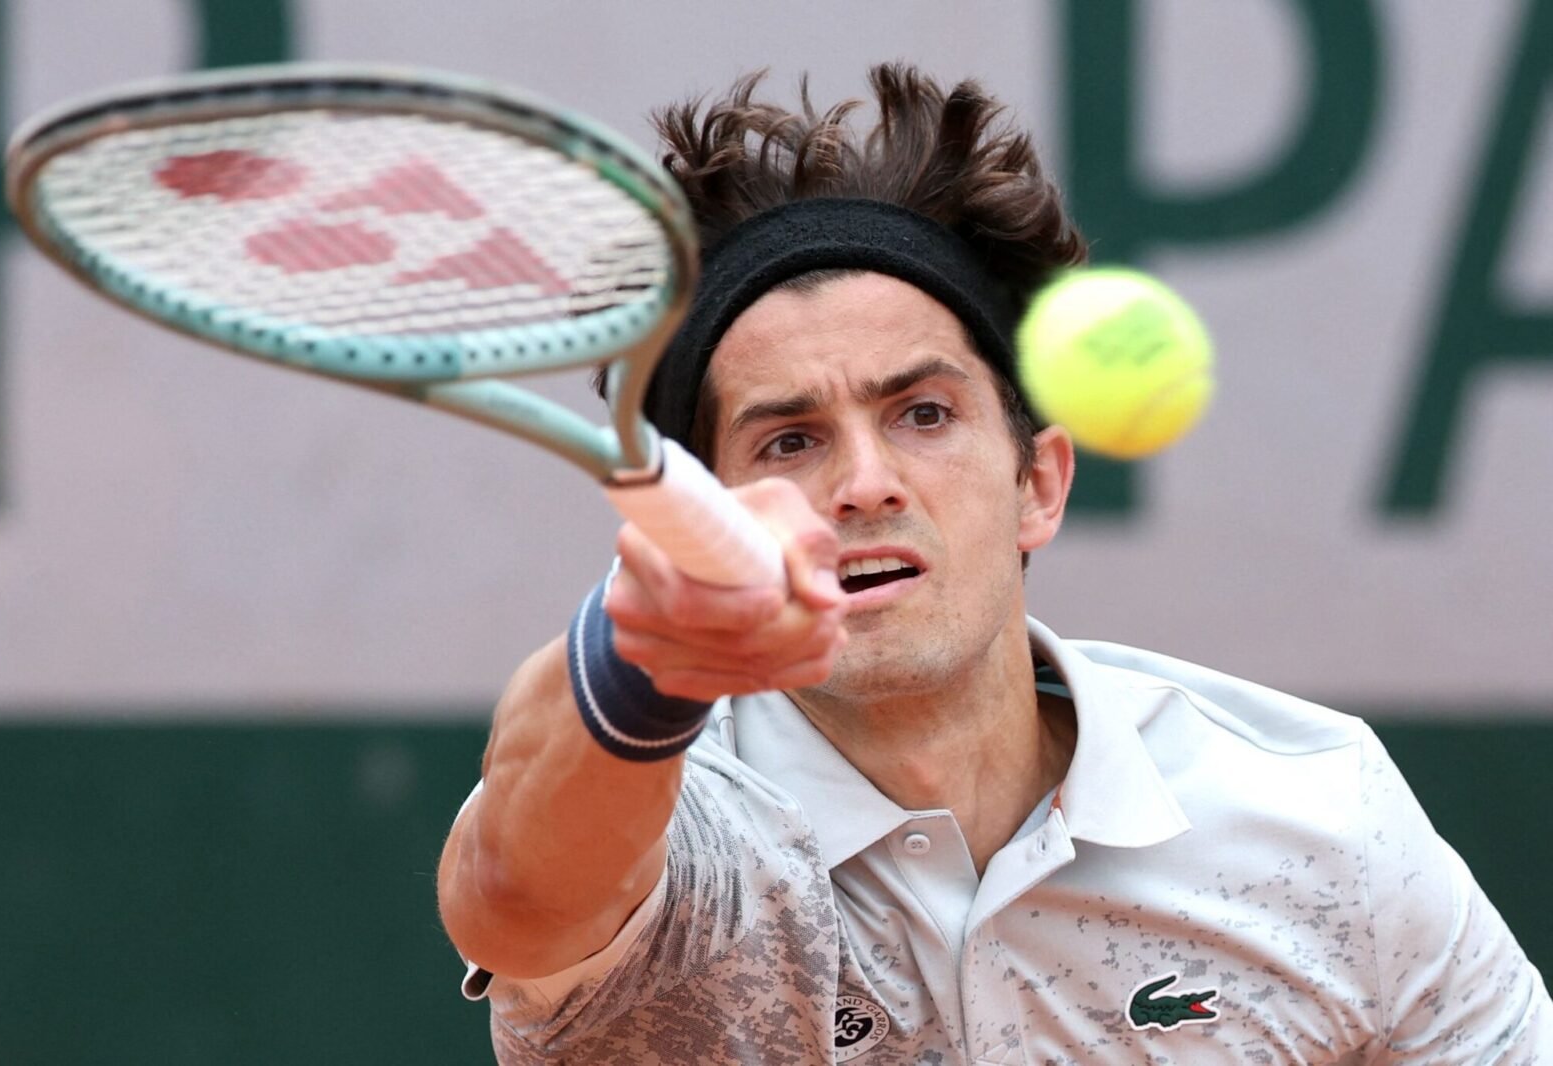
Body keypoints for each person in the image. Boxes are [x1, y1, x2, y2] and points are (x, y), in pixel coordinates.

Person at [437, 64, 1551, 1063]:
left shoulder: (1317, 822)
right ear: (709, 516)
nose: (865, 482)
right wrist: (640, 653)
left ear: (1038, 483)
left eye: (922, 414)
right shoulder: (679, 839)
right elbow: (513, 895)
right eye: (789, 441)